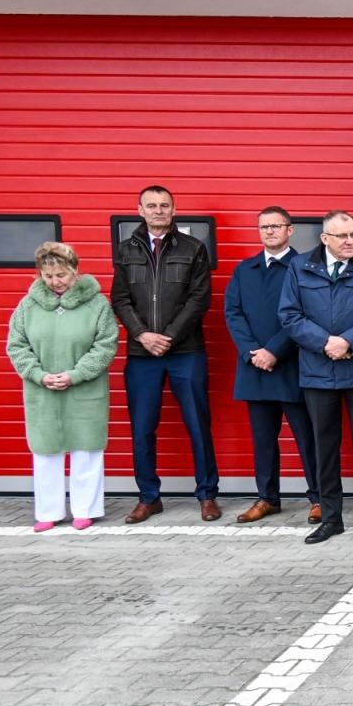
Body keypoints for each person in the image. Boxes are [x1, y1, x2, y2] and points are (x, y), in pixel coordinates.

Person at [111, 184, 220, 522]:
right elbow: (120, 299)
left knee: (198, 425)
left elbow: (199, 299)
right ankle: (148, 496)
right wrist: (143, 334)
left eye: (164, 205)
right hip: (142, 353)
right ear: (140, 209)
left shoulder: (193, 248)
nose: (158, 210)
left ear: (173, 210)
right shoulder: (126, 250)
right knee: (142, 427)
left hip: (185, 350)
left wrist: (169, 336)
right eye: (151, 205)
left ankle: (207, 494)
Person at [279, 210, 353, 544]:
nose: (350, 241)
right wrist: (326, 343)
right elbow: (289, 314)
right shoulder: (300, 267)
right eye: (342, 236)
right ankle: (331, 518)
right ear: (325, 238)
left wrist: (349, 342)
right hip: (317, 370)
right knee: (324, 447)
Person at [6, 242, 119, 532]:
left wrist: (76, 374)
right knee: (45, 452)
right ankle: (49, 511)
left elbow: (105, 345)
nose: (55, 282)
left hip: (84, 390)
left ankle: (86, 509)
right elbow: (16, 345)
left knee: (87, 449)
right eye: (48, 276)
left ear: (75, 272)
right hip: (42, 391)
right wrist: (38, 374)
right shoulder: (27, 306)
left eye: (61, 275)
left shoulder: (97, 304)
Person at [224, 206, 321, 525]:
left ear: (290, 230)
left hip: (293, 366)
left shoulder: (305, 267)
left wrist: (274, 350)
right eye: (264, 227)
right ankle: (268, 498)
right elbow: (233, 313)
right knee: (263, 439)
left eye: (276, 226)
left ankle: (319, 498)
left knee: (307, 437)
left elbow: (306, 314)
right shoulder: (245, 269)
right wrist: (253, 351)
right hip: (255, 368)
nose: (269, 232)